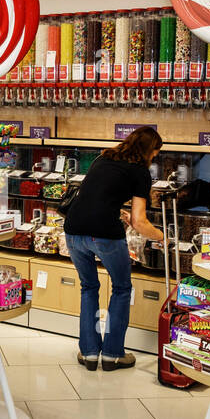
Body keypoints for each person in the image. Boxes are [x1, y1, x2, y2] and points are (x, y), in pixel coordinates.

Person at [63, 125, 165, 371]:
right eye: (155, 153)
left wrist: (119, 211)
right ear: (148, 150)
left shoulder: (103, 157)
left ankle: (88, 353)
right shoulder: (140, 172)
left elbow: (95, 195)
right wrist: (161, 236)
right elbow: (140, 222)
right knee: (121, 289)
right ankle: (112, 354)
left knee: (88, 287)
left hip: (73, 230)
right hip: (104, 235)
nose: (154, 158)